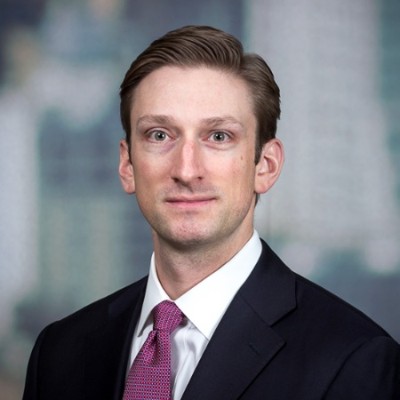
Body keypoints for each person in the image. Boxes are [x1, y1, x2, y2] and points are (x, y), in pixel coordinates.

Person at [23, 25, 400, 400]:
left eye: (219, 136)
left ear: (266, 166)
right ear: (127, 165)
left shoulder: (354, 362)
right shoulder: (58, 353)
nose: (187, 170)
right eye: (159, 135)